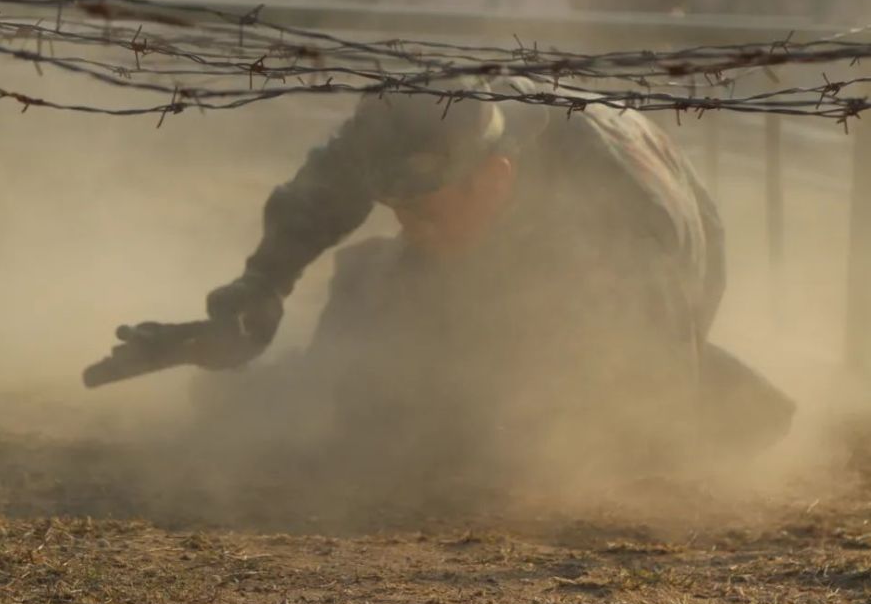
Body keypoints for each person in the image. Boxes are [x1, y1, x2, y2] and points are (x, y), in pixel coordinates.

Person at [119, 77, 794, 485]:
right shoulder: (415, 123)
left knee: (516, 417)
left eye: (426, 209)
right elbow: (326, 189)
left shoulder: (618, 226)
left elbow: (643, 407)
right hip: (520, 252)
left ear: (494, 179)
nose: (411, 224)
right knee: (373, 300)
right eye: (398, 209)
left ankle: (732, 398)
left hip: (665, 269)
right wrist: (257, 287)